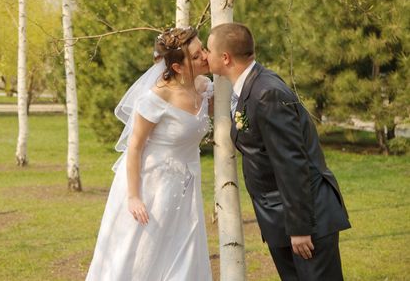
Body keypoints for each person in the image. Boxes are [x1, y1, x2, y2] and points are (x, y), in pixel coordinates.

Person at [204, 22, 351, 280]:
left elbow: (291, 162)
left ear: (225, 58)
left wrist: (299, 228)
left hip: (307, 220)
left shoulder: (266, 92)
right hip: (280, 218)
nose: (206, 56)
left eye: (208, 50)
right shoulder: (252, 85)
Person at [86, 27, 213, 281]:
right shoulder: (157, 97)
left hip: (187, 185)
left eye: (204, 50)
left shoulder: (205, 87)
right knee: (143, 253)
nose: (206, 56)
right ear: (178, 67)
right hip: (151, 185)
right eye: (197, 55)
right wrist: (133, 197)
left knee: (183, 249)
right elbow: (134, 146)